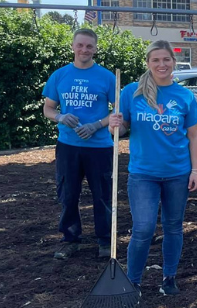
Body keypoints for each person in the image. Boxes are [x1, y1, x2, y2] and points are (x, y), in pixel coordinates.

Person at [108, 40, 197, 295]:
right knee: (143, 228)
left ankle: (169, 278)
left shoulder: (185, 95)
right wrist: (114, 124)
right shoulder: (131, 92)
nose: (161, 65)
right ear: (148, 63)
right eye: (156, 60)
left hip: (177, 173)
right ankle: (133, 282)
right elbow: (122, 128)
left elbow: (194, 136)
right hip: (143, 174)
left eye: (166, 60)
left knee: (174, 226)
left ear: (173, 62)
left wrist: (195, 170)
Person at [42, 28, 116, 260]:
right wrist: (61, 117)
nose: (84, 50)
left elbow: (119, 111)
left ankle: (105, 241)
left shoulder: (107, 77)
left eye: (89, 46)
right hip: (68, 146)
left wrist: (97, 125)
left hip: (100, 147)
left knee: (102, 195)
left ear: (95, 49)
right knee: (68, 194)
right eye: (80, 45)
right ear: (73, 46)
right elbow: (48, 108)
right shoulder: (60, 75)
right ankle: (70, 239)